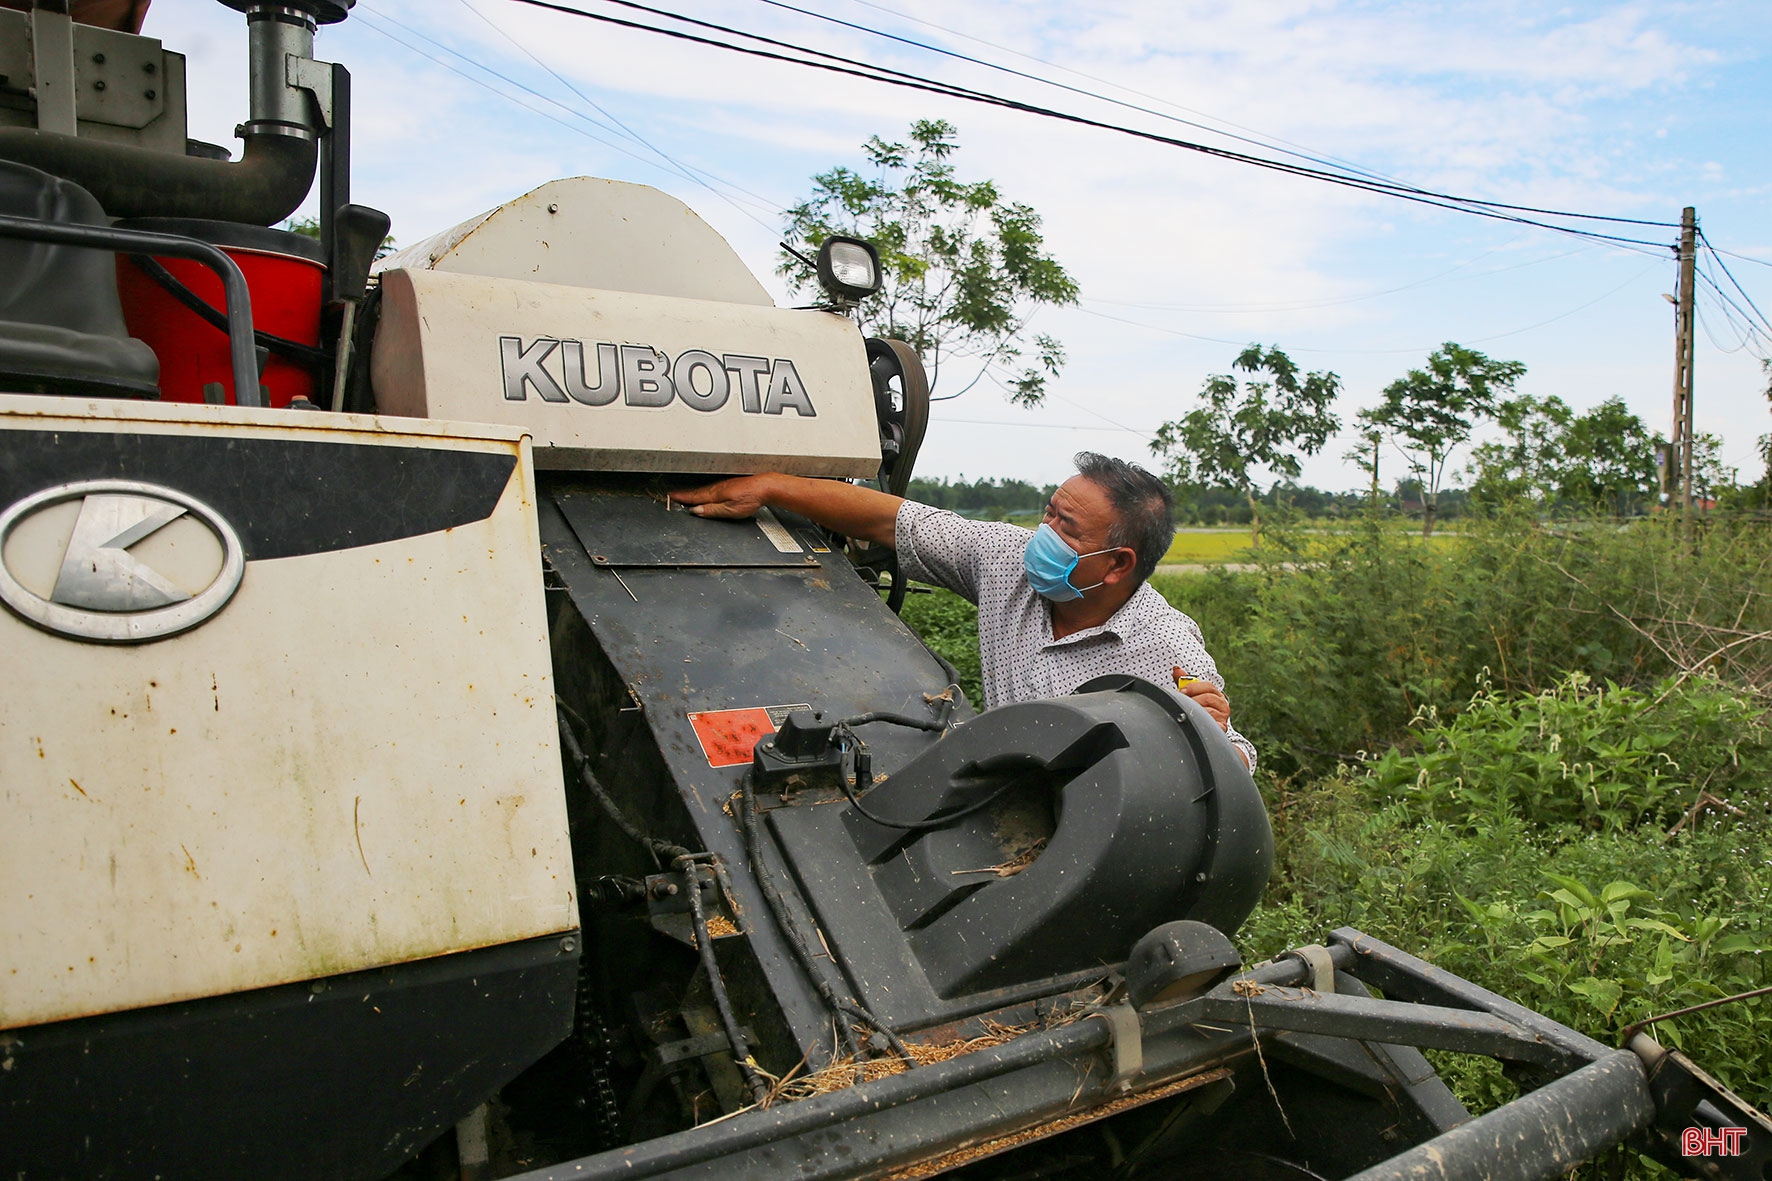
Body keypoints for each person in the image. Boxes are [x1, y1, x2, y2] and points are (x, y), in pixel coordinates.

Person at [671, 451, 1255, 769]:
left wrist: (1212, 738)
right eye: (1048, 512)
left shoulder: (1165, 647)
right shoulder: (1007, 561)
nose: (1041, 535)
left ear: (1118, 564)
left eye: (1066, 528)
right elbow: (892, 519)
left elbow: (1237, 759)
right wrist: (773, 487)